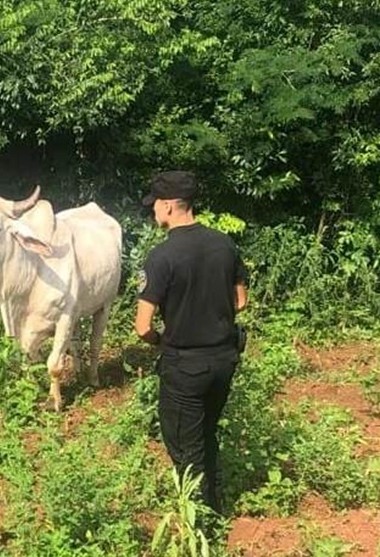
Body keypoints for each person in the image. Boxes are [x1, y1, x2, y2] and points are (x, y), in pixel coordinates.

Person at [134, 170, 248, 513]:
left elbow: (142, 326)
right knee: (207, 433)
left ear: (169, 206)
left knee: (185, 445)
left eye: (155, 205)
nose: (153, 211)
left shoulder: (161, 256)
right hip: (224, 361)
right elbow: (241, 301)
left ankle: (200, 521)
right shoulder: (225, 244)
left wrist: (161, 340)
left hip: (185, 367)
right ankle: (215, 504)